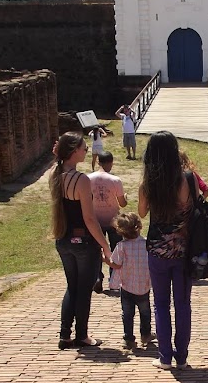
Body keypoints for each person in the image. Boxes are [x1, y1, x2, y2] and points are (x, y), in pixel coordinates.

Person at [138, 131, 198, 370]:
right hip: (184, 251)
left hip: (157, 251)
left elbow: (142, 214)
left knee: (161, 304)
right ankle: (181, 357)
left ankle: (164, 357)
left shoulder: (148, 185)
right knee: (182, 304)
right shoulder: (187, 179)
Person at [49, 131, 112, 350]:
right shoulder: (81, 180)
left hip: (63, 239)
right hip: (83, 241)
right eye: (84, 148)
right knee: (84, 290)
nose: (86, 151)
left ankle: (65, 335)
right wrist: (104, 245)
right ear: (74, 151)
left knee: (72, 287)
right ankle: (82, 335)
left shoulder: (56, 175)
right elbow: (89, 218)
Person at [107, 212, 154, 350]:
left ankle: (129, 339)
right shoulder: (147, 244)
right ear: (139, 227)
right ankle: (145, 334)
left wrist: (105, 260)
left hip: (127, 286)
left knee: (127, 314)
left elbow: (116, 264)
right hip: (143, 285)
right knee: (145, 312)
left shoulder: (121, 246)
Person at [87, 150, 128, 293]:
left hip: (95, 219)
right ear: (111, 162)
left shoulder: (88, 178)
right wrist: (126, 197)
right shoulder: (115, 180)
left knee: (96, 249)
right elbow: (122, 204)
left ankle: (97, 277)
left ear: (98, 162)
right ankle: (113, 279)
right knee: (115, 249)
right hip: (112, 220)